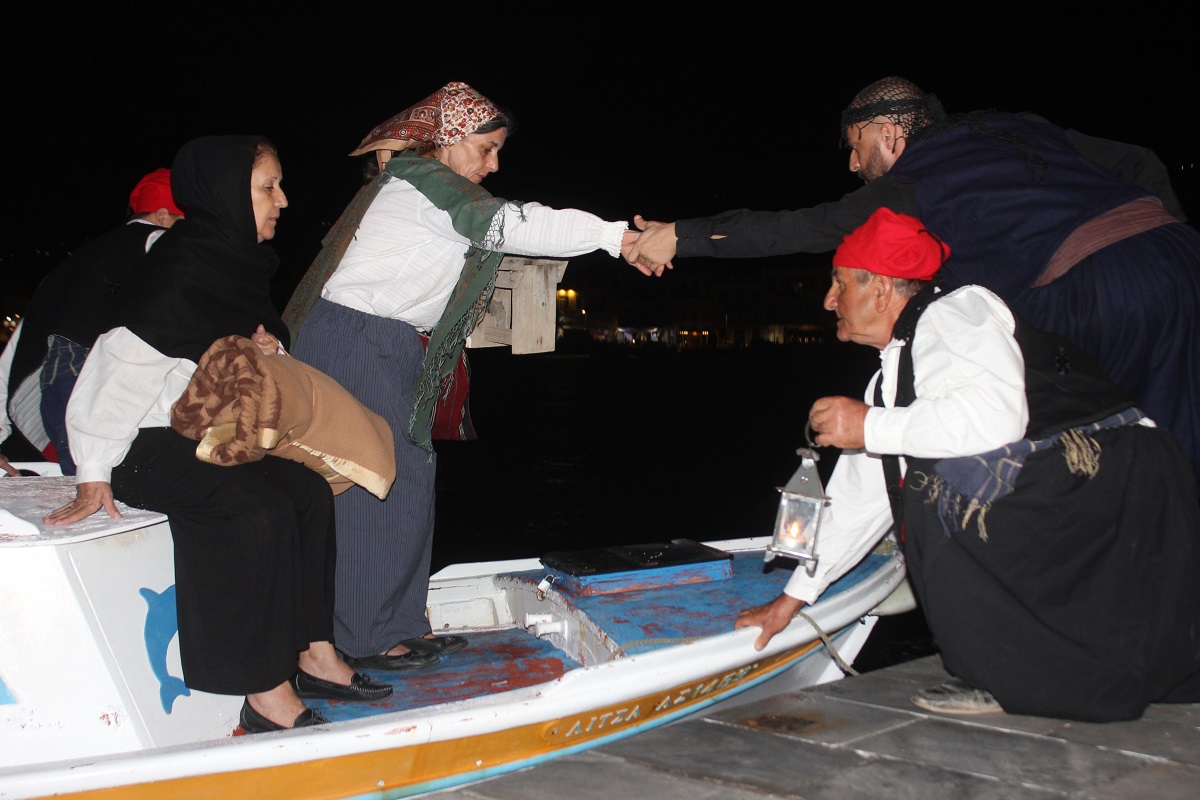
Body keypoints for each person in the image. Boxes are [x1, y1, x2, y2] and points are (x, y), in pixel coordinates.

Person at [626, 76, 1200, 495]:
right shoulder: (1018, 125)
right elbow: (1142, 163)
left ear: (889, 132)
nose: (853, 165)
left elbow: (801, 227)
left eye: (856, 146)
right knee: (1177, 444)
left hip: (1096, 287)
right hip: (1179, 256)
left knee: (1090, 453)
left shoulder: (917, 178)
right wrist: (1163, 242)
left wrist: (682, 236)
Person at [735, 207, 1200, 722]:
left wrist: (869, 425)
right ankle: (1037, 669)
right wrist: (791, 601)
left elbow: (991, 420)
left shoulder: (956, 311)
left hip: (1116, 473)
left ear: (882, 289)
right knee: (911, 478)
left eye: (839, 283)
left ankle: (1009, 673)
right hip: (1085, 485)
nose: (828, 300)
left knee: (940, 483)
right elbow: (860, 500)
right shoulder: (891, 376)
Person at [282, 81, 648, 672]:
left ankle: (397, 623)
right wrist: (616, 237)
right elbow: (511, 223)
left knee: (408, 481)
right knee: (373, 482)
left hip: (389, 342)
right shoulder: (421, 180)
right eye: (486, 148)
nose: (494, 164)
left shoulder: (433, 190)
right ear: (449, 139)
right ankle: (363, 635)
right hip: (355, 338)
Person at [42, 134, 393, 733]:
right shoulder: (182, 266)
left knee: (306, 491)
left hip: (189, 431)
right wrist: (93, 471)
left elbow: (228, 346)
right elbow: (116, 367)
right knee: (251, 506)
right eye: (267, 187)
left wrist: (265, 344)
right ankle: (262, 690)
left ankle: (313, 652)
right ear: (226, 193)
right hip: (133, 442)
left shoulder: (232, 263)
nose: (282, 200)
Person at [3, 168, 185, 475]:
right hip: (104, 395)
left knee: (87, 489)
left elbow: (17, 349)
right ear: (163, 215)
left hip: (57, 394)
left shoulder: (72, 264)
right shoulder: (161, 243)